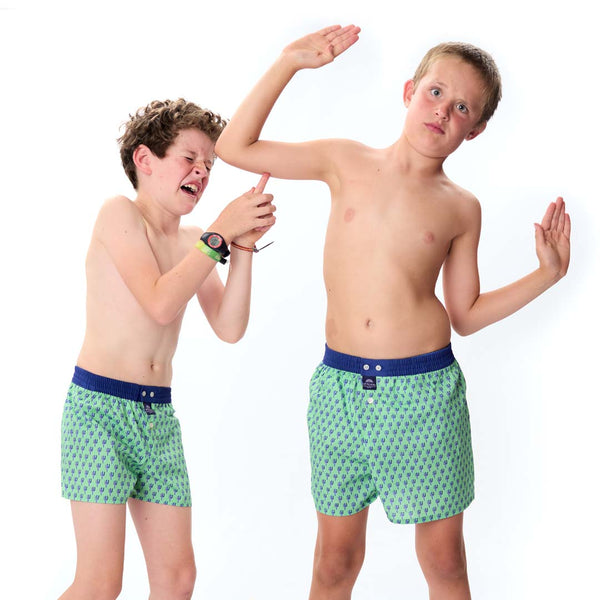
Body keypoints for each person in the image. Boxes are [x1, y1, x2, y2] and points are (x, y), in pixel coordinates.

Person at [215, 25, 571, 599]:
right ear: (409, 92)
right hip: (339, 392)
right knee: (334, 563)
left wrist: (546, 275)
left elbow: (466, 313)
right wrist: (289, 63)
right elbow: (234, 147)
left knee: (444, 562)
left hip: (424, 396)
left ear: (475, 130)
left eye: (462, 107)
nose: (443, 111)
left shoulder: (461, 207)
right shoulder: (344, 160)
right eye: (435, 92)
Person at [59, 98, 276, 600]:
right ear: (145, 160)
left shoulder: (193, 240)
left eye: (209, 165)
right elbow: (159, 303)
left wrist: (242, 245)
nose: (202, 172)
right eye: (189, 158)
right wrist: (220, 234)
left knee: (177, 581)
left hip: (156, 416)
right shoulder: (119, 215)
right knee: (99, 584)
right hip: (99, 411)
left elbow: (230, 327)